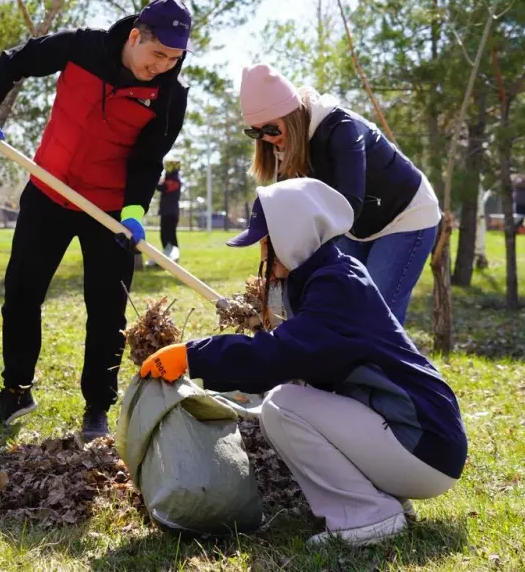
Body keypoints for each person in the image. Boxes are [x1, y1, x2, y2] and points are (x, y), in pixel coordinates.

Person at [139, 178, 467, 546]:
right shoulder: (329, 276)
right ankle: (381, 503)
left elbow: (278, 356)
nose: (262, 251)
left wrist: (194, 356)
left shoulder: (337, 288)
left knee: (283, 405)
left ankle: (366, 517)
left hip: (423, 442)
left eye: (266, 240)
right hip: (423, 440)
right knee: (289, 399)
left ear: (292, 235)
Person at [0, 0, 192, 440]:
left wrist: (132, 211)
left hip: (107, 211)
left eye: (174, 59)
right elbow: (18, 61)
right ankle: (15, 392)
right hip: (48, 189)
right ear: (135, 36)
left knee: (107, 311)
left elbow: (149, 158)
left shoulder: (169, 95)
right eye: (157, 55)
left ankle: (97, 407)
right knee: (22, 294)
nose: (163, 66)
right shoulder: (83, 47)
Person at [239, 64, 440, 325]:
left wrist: (299, 261)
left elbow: (348, 205)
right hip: (353, 225)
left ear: (292, 115)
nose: (266, 138)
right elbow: (284, 213)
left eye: (272, 129)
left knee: (376, 315)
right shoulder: (282, 145)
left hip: (405, 217)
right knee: (338, 304)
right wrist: (278, 258)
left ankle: (386, 366)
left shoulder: (341, 129)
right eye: (256, 132)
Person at [153, 159, 182, 263]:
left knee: (170, 236)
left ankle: (174, 258)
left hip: (171, 213)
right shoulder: (169, 180)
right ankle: (167, 257)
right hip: (166, 212)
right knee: (164, 235)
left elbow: (161, 187)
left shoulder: (175, 181)